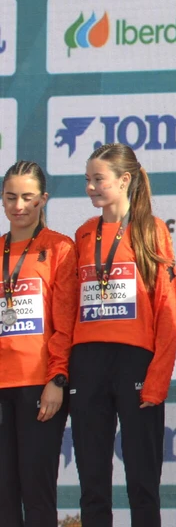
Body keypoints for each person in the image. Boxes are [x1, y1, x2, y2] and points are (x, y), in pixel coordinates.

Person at [71, 143, 176, 527]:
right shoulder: (83, 234)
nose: (90, 187)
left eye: (98, 179)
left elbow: (168, 309)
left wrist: (157, 381)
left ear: (125, 180)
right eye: (87, 180)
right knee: (92, 481)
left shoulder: (152, 229)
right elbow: (69, 307)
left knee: (142, 481)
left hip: (136, 361)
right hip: (87, 362)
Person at [0, 161, 77, 527]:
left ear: (43, 199)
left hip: (38, 385)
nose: (19, 206)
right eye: (11, 196)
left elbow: (65, 321)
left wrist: (57, 378)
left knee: (37, 491)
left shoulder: (59, 248)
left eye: (28, 197)